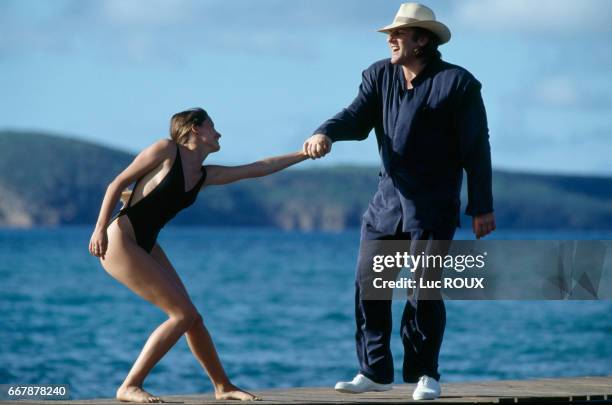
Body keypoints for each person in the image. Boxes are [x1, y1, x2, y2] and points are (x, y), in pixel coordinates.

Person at [303, 2, 496, 401]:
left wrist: (481, 206)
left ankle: (425, 373)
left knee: (423, 290)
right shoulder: (378, 75)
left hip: (433, 207)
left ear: (422, 40)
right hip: (385, 205)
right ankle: (373, 371)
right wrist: (326, 132)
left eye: (399, 34)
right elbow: (355, 117)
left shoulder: (458, 84)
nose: (391, 39)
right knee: (368, 286)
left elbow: (477, 149)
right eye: (391, 34)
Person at [89, 107, 307, 403]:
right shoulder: (165, 150)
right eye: (212, 126)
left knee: (194, 319)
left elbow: (259, 167)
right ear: (195, 129)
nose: (218, 133)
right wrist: (99, 228)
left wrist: (304, 154)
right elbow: (116, 184)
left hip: (146, 242)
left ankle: (223, 386)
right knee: (182, 314)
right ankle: (130, 385)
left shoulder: (204, 175)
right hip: (120, 240)